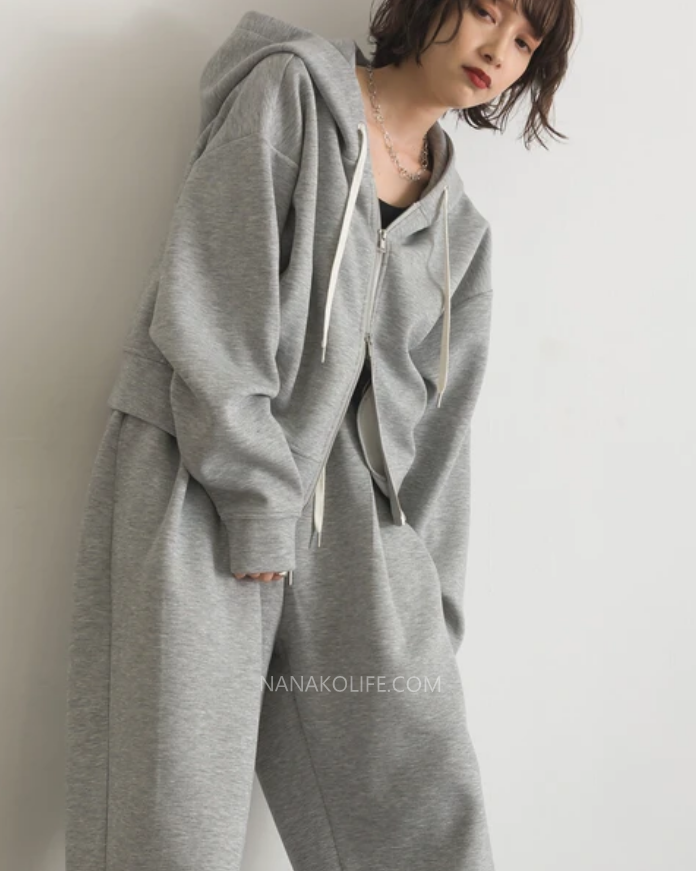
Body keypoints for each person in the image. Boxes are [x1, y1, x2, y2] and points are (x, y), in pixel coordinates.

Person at [64, 3, 576, 870]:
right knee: (171, 824)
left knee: (427, 815)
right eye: (486, 11)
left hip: (357, 531)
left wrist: (429, 605)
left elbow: (442, 439)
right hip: (199, 480)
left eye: (526, 42)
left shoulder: (460, 236)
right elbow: (208, 310)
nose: (498, 49)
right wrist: (258, 498)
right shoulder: (290, 94)